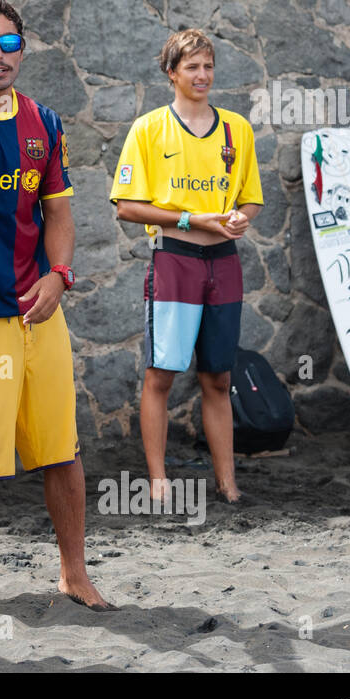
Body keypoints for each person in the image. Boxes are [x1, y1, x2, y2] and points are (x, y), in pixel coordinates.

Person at [0, 0, 111, 615]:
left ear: (22, 49)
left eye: (8, 43)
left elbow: (58, 212)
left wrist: (60, 275)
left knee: (62, 450)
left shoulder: (46, 124)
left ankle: (74, 573)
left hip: (40, 313)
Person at [110, 28, 263, 503]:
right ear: (172, 73)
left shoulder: (238, 128)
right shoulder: (149, 129)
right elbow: (126, 206)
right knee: (161, 372)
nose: (202, 75)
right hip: (174, 260)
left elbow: (251, 199)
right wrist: (188, 217)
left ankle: (228, 483)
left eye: (209, 66)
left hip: (224, 262)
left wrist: (240, 217)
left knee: (218, 376)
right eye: (192, 66)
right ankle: (157, 480)